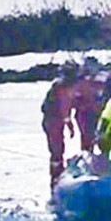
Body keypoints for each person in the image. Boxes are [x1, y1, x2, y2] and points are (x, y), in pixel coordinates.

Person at [41, 61, 78, 190]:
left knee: (57, 149)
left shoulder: (60, 85)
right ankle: (56, 177)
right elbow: (64, 106)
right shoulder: (62, 86)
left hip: (53, 120)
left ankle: (56, 174)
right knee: (57, 150)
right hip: (53, 121)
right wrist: (69, 123)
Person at [74, 56, 104, 153]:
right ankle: (86, 156)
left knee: (101, 137)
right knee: (87, 137)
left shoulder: (101, 79)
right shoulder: (80, 80)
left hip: (99, 113)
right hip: (85, 113)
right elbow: (75, 99)